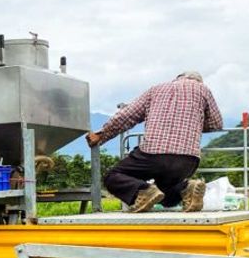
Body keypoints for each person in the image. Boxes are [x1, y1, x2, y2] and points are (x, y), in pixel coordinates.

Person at [85, 71, 223, 212]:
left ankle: (143, 190)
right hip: (187, 160)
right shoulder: (203, 90)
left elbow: (127, 115)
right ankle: (186, 188)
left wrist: (102, 134)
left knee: (112, 177)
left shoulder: (156, 89)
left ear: (177, 78)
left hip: (153, 154)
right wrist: (194, 123)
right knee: (166, 196)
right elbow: (216, 123)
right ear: (199, 81)